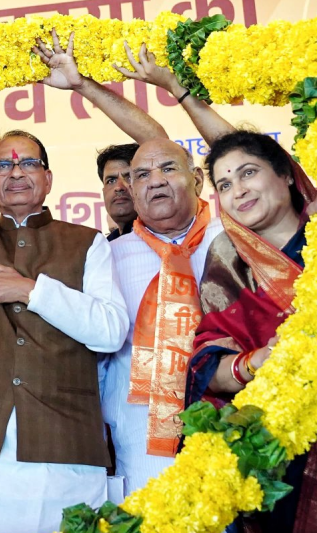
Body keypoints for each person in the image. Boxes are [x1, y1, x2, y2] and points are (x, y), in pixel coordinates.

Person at [0, 26, 131, 533]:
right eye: (2, 165)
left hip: (61, 448)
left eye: (28, 162)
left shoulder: (88, 242)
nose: (15, 172)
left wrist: (32, 291)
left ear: (49, 179)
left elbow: (110, 330)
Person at [119, 39, 317, 533]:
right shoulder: (227, 257)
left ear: (288, 177)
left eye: (249, 174)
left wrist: (178, 89)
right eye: (224, 184)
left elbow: (232, 146)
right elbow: (204, 364)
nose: (238, 189)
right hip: (281, 453)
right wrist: (258, 364)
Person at [53, 41, 223, 498]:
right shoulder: (108, 253)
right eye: (140, 176)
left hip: (236, 412)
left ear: (198, 179)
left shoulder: (227, 230)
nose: (155, 181)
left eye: (169, 169)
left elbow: (227, 151)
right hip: (141, 434)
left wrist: (84, 86)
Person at [97, 143, 139, 241]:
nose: (119, 187)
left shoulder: (166, 240)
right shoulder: (103, 249)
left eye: (129, 177)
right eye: (111, 181)